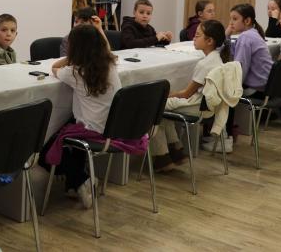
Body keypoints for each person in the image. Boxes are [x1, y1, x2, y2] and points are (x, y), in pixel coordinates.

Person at [41, 25, 145, 210]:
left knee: (46, 150)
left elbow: (54, 67)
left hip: (93, 129)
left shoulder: (74, 72)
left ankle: (81, 180)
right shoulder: (110, 65)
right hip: (115, 126)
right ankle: (76, 184)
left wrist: (71, 58)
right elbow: (107, 51)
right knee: (69, 133)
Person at [150, 20, 230, 167]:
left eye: (197, 35)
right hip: (207, 106)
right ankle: (175, 149)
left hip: (197, 106)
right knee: (164, 109)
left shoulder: (205, 64)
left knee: (154, 107)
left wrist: (165, 96)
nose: (194, 38)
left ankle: (161, 157)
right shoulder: (217, 59)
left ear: (209, 41)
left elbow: (186, 94)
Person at [226, 4, 273, 138]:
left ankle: (227, 136)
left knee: (225, 92)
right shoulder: (252, 34)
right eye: (230, 19)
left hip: (257, 89)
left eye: (235, 19)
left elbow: (240, 69)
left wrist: (231, 87)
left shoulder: (246, 37)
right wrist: (227, 35)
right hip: (267, 87)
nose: (231, 23)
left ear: (247, 21)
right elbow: (233, 52)